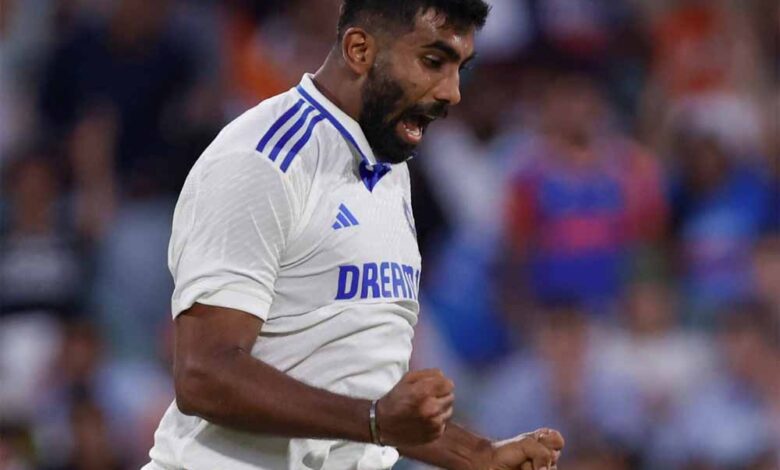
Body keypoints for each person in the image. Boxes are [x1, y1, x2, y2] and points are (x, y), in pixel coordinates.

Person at [143, 1, 564, 470]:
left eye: (460, 68)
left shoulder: (388, 165)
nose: (453, 93)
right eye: (433, 61)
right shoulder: (262, 160)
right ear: (359, 50)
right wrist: (374, 421)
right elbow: (204, 373)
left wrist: (478, 455)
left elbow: (360, 392)